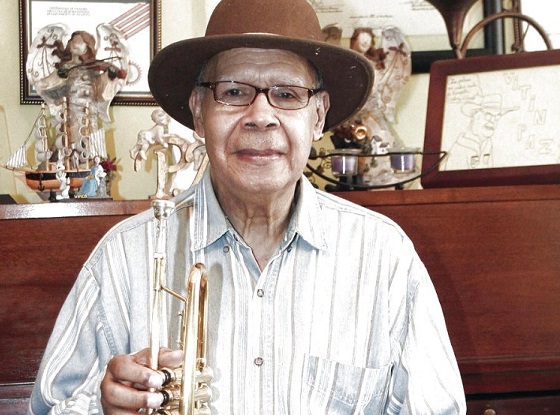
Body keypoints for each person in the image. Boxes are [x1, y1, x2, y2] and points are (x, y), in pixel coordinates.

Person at [28, 0, 466, 413]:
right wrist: (102, 409)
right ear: (199, 113)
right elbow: (50, 406)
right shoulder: (124, 256)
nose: (261, 116)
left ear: (318, 116)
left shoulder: (384, 257)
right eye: (234, 92)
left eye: (288, 94)